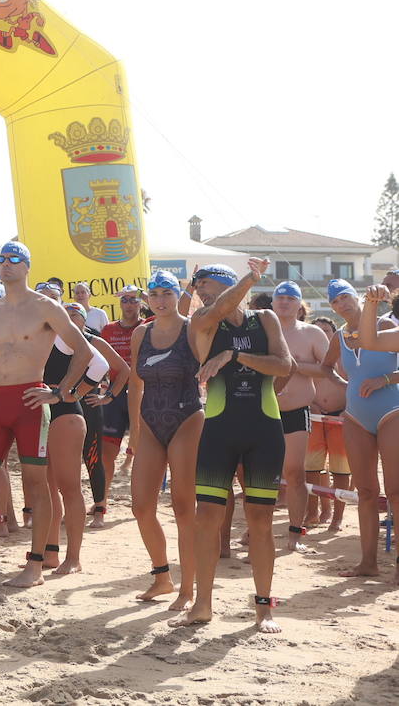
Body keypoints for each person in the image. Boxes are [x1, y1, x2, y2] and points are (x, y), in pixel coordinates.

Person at [0, 241, 91, 588]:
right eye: (1, 259)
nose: (6, 264)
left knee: (35, 484)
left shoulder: (46, 307)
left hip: (31, 400)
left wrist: (58, 392)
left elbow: (84, 351)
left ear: (27, 266)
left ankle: (35, 565)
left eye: (14, 259)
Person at [172, 258, 291, 633]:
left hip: (264, 428)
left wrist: (236, 356)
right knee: (207, 516)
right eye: (197, 289)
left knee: (260, 521)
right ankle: (203, 603)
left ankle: (263, 607)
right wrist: (251, 278)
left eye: (206, 286)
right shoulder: (202, 323)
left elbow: (284, 366)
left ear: (227, 284)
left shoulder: (265, 320)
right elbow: (223, 308)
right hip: (220, 430)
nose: (200, 295)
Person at [127, 270, 204, 610]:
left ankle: (189, 589)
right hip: (150, 422)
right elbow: (135, 384)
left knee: (183, 507)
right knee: (141, 506)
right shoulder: (141, 333)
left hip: (187, 417)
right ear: (147, 298)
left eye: (166, 293)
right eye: (154, 293)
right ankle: (162, 577)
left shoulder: (193, 329)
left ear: (177, 294)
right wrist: (134, 429)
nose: (160, 300)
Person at [42, 303, 125, 575]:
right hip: (45, 412)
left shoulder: (70, 336)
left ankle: (73, 558)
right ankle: (51, 553)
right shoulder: (41, 334)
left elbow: (101, 363)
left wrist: (73, 392)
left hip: (66, 411)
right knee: (48, 485)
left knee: (70, 485)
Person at [337, 283, 399, 583]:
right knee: (365, 492)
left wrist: (385, 379)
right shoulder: (340, 335)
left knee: (396, 491)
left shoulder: (387, 325)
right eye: (335, 300)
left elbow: (371, 340)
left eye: (344, 297)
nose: (341, 304)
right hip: (356, 415)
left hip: (392, 411)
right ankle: (368, 562)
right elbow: (330, 366)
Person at [268, 281, 332, 554]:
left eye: (290, 298)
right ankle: (256, 528)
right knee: (259, 474)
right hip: (263, 409)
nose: (284, 302)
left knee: (294, 472)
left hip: (296, 411)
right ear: (272, 303)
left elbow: (327, 369)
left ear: (299, 305)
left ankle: (295, 531)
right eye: (279, 297)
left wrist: (296, 367)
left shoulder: (312, 333)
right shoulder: (261, 331)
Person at [98, 287, 143, 514]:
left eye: (133, 300)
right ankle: (101, 502)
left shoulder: (148, 325)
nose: (129, 304)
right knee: (107, 453)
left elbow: (172, 311)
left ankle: (142, 503)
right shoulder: (108, 330)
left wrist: (141, 293)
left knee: (144, 452)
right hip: (115, 393)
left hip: (143, 393)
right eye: (125, 300)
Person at [305, 313, 349, 531]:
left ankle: (337, 517)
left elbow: (354, 385)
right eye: (318, 331)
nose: (322, 334)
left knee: (341, 470)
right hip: (313, 416)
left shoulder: (345, 356)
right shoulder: (307, 356)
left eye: (327, 331)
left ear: (334, 335)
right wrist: (311, 404)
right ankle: (313, 512)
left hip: (340, 417)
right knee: (312, 468)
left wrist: (347, 411)